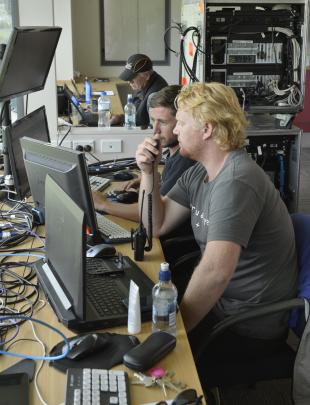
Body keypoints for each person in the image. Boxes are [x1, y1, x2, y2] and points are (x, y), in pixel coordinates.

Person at [135, 82, 298, 387]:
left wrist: (174, 333)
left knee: (151, 368)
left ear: (207, 129)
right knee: (139, 325)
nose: (174, 131)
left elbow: (214, 273)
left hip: (246, 324)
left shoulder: (237, 180)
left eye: (181, 123)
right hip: (221, 307)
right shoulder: (201, 171)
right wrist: (148, 172)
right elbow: (155, 225)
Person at [92, 85, 195, 222]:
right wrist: (149, 181)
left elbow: (152, 214)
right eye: (153, 121)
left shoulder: (185, 160)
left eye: (163, 122)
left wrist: (103, 204)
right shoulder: (171, 153)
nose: (155, 130)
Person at [111, 54, 168, 128]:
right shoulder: (145, 84)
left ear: (147, 75)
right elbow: (136, 109)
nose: (129, 82)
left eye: (132, 78)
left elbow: (142, 122)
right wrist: (120, 117)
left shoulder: (155, 94)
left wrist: (120, 119)